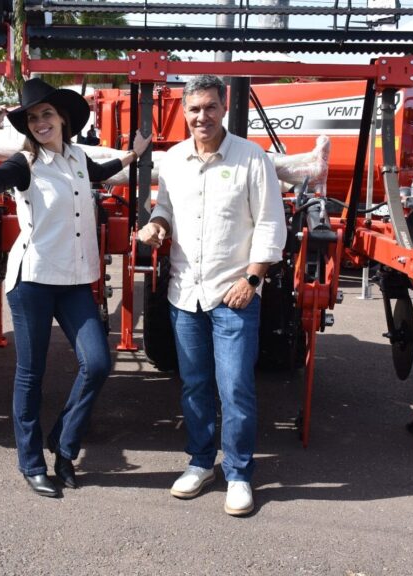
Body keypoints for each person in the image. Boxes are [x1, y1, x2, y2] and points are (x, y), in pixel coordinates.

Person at [0, 78, 151, 498]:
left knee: (98, 363)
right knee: (31, 375)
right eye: (32, 118)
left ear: (63, 119)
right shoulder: (24, 164)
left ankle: (64, 446)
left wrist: (133, 154)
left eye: (46, 114)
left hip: (74, 281)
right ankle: (32, 464)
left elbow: (102, 172)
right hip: (33, 281)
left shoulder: (78, 158)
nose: (40, 122)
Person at [137, 75, 287, 516]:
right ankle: (201, 462)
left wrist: (252, 280)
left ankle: (238, 474)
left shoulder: (251, 158)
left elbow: (270, 222)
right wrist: (157, 225)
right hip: (185, 293)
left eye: (210, 107)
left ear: (223, 107)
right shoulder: (173, 159)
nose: (202, 116)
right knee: (195, 385)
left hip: (233, 294)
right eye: (194, 109)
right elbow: (165, 207)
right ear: (184, 112)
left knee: (235, 387)